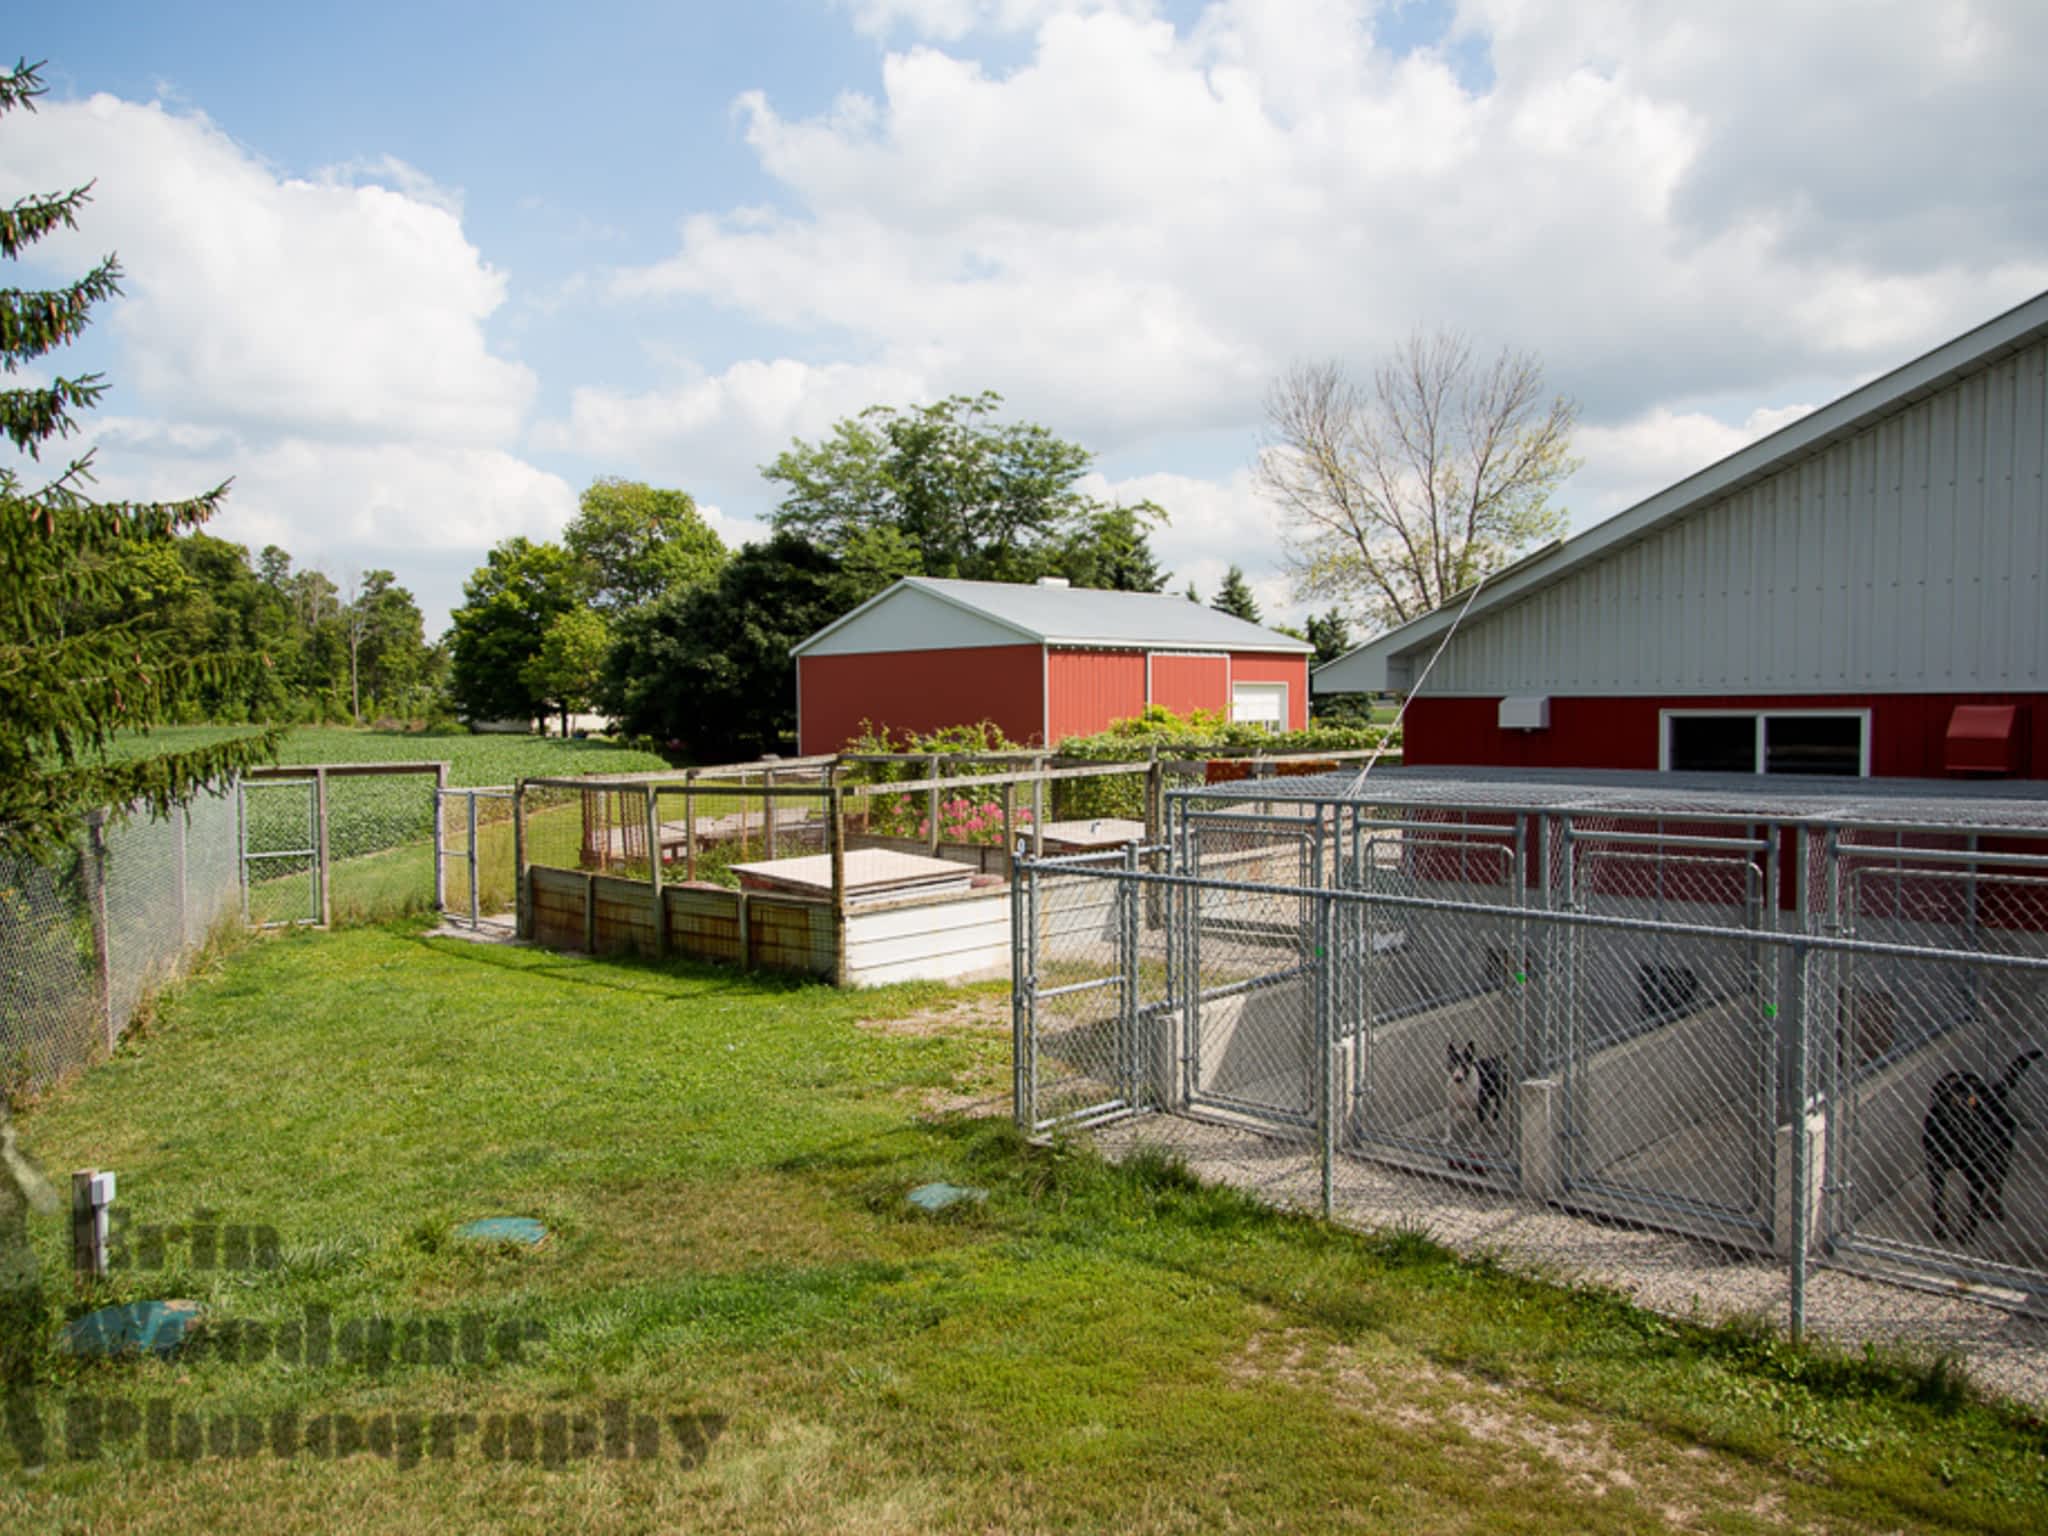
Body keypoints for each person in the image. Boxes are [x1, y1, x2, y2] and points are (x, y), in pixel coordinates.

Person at [0, 1101, 56, 1472]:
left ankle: (31, 1454)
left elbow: (48, 1203)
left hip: (15, 1283)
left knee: (18, 1372)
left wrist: (11, 1156)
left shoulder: (19, 1166)